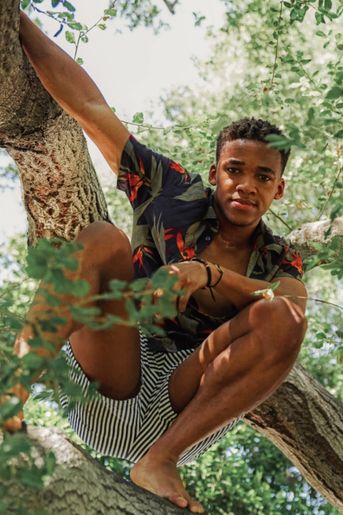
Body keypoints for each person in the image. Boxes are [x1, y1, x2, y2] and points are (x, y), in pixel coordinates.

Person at [7, 11, 307, 513]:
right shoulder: (171, 188)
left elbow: (290, 306)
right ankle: (11, 391)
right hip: (113, 377)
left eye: (263, 176)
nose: (246, 185)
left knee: (283, 317)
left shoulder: (279, 258)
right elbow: (88, 107)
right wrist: (14, 19)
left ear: (279, 188)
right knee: (102, 239)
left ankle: (157, 463)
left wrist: (207, 274)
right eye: (235, 170)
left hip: (183, 409)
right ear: (215, 172)